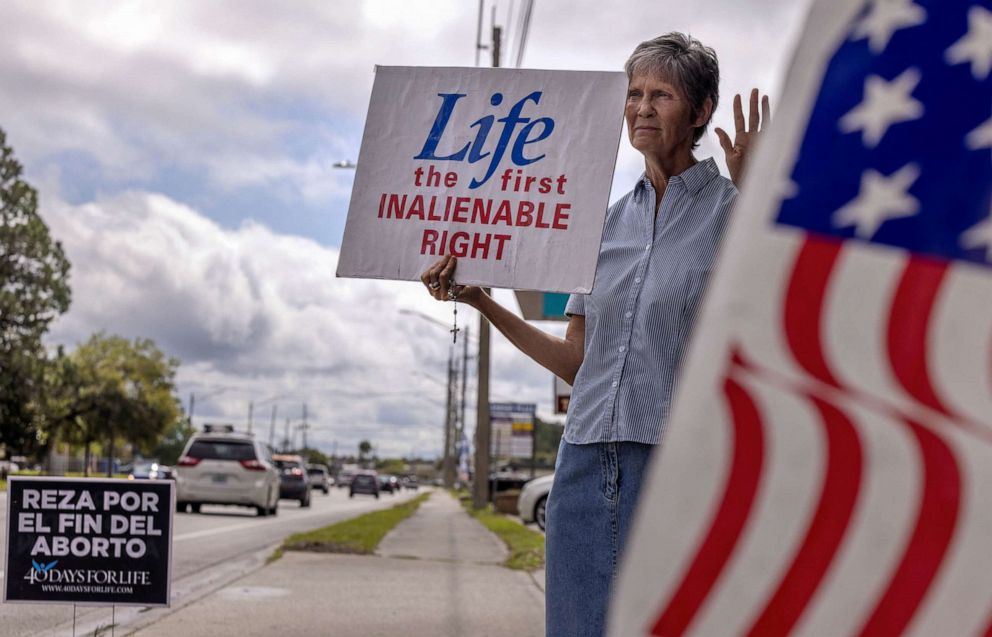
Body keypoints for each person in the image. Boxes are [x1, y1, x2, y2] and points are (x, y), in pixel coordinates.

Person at [421, 32, 768, 637]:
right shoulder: (602, 224)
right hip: (582, 466)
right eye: (634, 93)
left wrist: (763, 196)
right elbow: (577, 361)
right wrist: (481, 301)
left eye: (661, 94)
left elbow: (777, 318)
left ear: (701, 112)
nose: (641, 107)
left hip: (675, 468)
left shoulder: (735, 211)